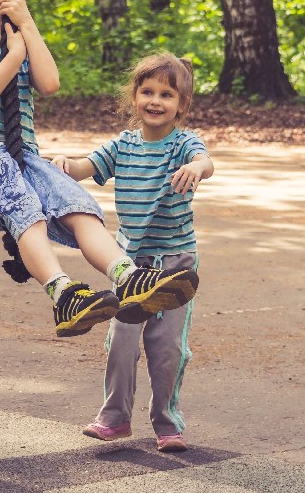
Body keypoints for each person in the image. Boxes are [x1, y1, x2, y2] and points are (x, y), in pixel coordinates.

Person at [0, 0, 199, 338]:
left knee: (78, 205)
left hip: (21, 160)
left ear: (2, 6)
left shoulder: (16, 44)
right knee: (27, 212)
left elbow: (50, 82)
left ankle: (128, 277)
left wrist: (26, 27)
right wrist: (14, 58)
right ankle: (62, 292)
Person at [51, 52, 213, 452]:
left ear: (182, 105)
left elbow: (204, 160)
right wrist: (60, 165)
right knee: (121, 341)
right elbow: (84, 167)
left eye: (167, 94)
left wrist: (198, 168)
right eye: (148, 91)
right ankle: (114, 417)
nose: (156, 101)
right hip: (129, 266)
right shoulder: (122, 145)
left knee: (167, 348)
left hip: (175, 265)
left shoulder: (183, 144)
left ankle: (167, 422)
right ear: (135, 96)